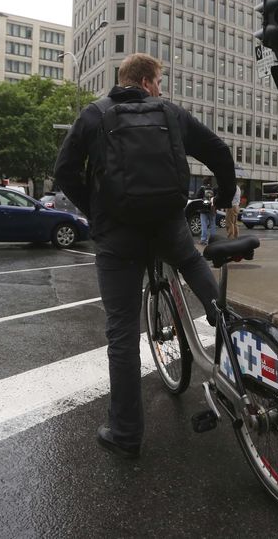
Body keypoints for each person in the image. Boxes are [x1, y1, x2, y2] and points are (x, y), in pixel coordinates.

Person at [54, 53, 235, 460]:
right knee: (192, 265)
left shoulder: (94, 115)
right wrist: (223, 197)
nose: (160, 88)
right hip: (168, 225)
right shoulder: (170, 113)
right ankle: (236, 344)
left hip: (117, 235)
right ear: (146, 81)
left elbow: (63, 171)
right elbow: (219, 152)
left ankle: (126, 433)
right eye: (158, 81)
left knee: (121, 331)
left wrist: (95, 211)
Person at [196, 177, 217, 245]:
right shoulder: (213, 189)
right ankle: (213, 240)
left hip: (203, 209)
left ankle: (203, 240)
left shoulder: (202, 188)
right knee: (212, 225)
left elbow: (197, 197)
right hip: (212, 209)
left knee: (204, 225)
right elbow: (216, 198)